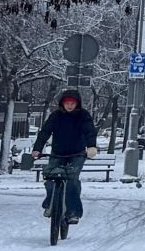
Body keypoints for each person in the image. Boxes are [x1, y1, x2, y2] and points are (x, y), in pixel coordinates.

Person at [33, 90, 98, 229]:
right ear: (62, 103)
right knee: (49, 176)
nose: (69, 106)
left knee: (72, 179)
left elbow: (89, 131)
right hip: (57, 152)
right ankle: (50, 202)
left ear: (77, 104)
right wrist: (37, 148)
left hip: (77, 153)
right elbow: (45, 132)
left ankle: (73, 212)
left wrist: (91, 147)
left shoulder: (83, 116)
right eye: (67, 103)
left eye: (72, 103)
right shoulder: (56, 116)